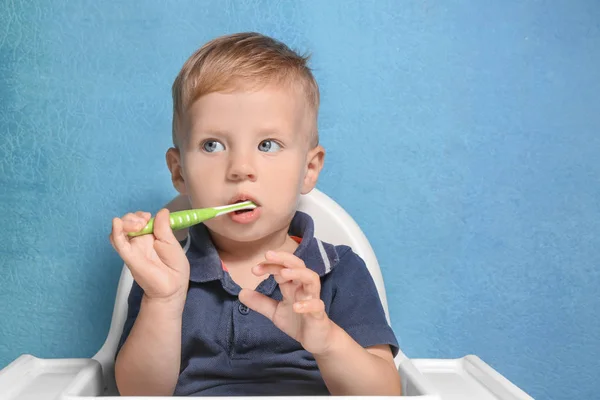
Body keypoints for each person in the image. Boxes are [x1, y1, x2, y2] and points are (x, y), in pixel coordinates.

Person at [109, 32, 401, 396]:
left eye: (268, 144)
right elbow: (138, 394)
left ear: (309, 169)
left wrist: (326, 340)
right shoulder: (165, 270)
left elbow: (386, 393)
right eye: (212, 145)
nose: (241, 168)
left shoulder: (339, 269)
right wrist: (163, 301)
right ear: (179, 171)